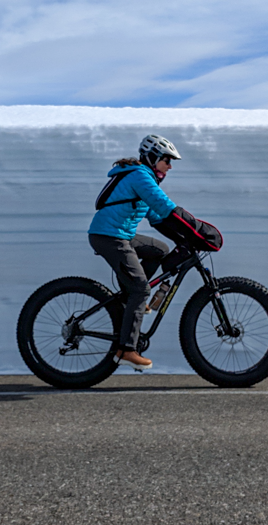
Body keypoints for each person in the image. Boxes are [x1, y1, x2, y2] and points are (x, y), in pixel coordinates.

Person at [88, 134, 182, 371]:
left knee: (159, 249)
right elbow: (163, 205)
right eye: (167, 160)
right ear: (153, 157)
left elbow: (155, 215)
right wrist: (193, 226)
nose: (170, 167)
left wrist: (183, 237)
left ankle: (132, 298)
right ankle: (126, 350)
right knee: (141, 290)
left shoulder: (141, 176)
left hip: (120, 235)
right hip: (110, 237)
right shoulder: (140, 176)